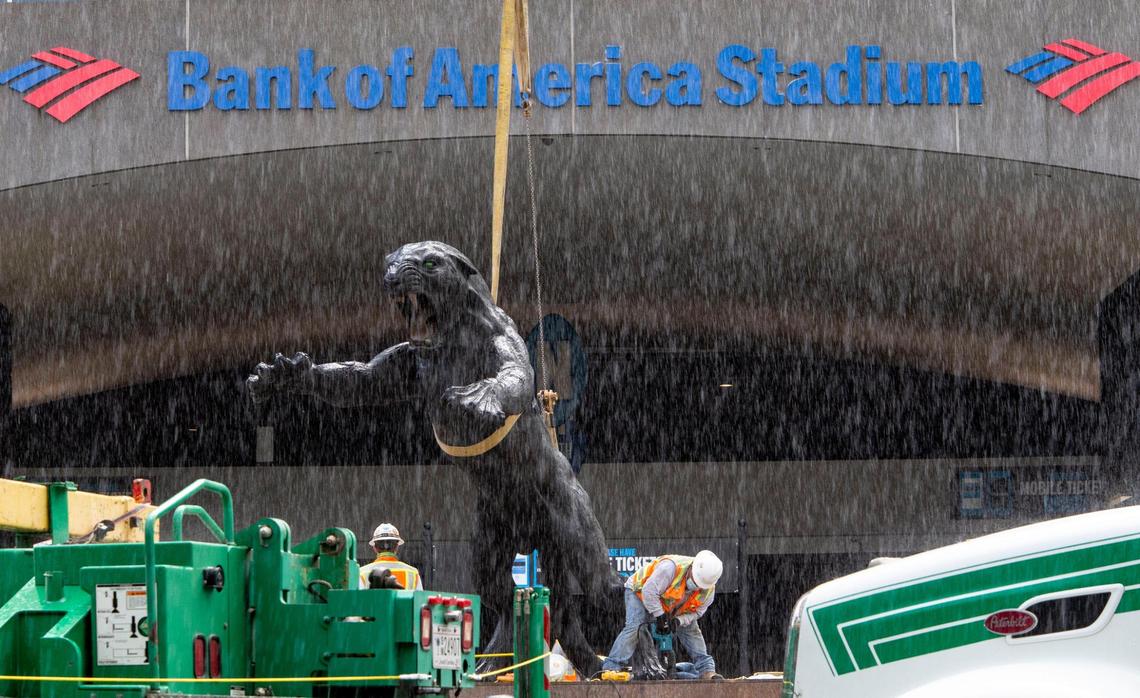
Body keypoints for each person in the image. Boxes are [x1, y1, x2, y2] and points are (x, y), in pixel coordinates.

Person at [601, 550, 723, 680]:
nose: (696, 586)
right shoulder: (670, 568)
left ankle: (707, 671)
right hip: (639, 591)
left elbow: (697, 612)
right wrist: (660, 615)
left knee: (692, 631)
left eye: (700, 585)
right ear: (692, 568)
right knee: (635, 627)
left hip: (670, 604)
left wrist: (679, 621)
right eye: (695, 580)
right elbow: (649, 591)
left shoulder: (708, 591)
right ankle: (611, 667)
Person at [359, 523, 423, 590]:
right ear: (397, 546)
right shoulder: (413, 573)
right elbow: (419, 599)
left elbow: (357, 599)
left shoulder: (362, 573)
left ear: (374, 547)